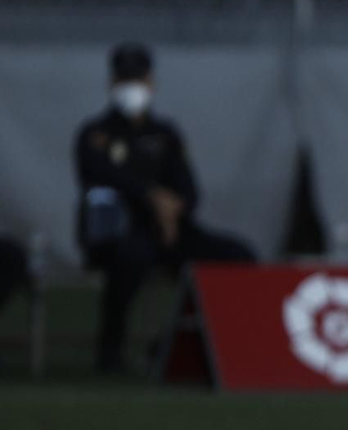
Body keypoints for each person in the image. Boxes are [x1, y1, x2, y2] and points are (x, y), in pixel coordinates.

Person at [75, 43, 255, 374]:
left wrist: (173, 209)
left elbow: (188, 189)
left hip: (170, 233)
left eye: (138, 79)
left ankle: (198, 346)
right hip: (119, 233)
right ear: (112, 83)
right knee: (131, 258)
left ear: (151, 82)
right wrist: (151, 196)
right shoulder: (95, 134)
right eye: (125, 79)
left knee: (239, 254)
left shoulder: (165, 134)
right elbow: (102, 176)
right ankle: (110, 353)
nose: (132, 88)